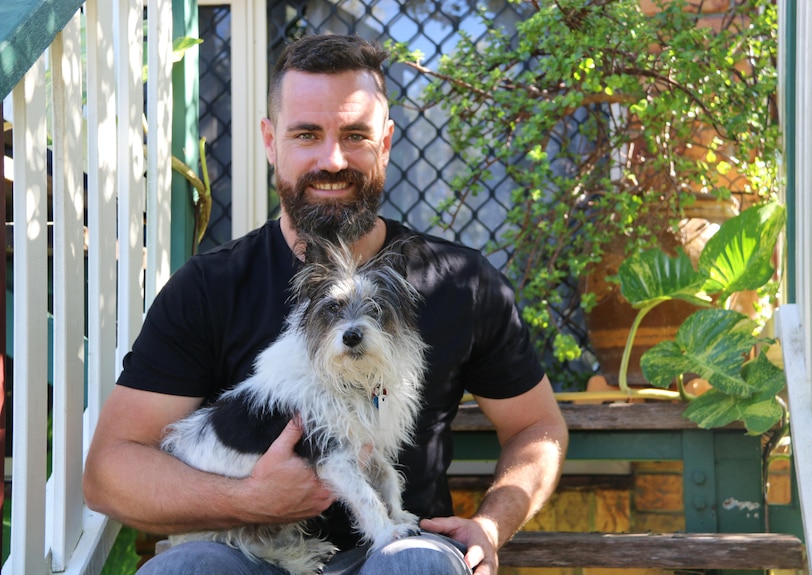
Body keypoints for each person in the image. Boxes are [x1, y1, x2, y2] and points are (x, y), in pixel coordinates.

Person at [83, 33, 568, 575]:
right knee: (184, 571)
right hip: (248, 550)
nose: (332, 159)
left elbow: (536, 428)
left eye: (354, 135)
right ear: (271, 142)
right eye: (307, 134)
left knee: (417, 568)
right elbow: (110, 471)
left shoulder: (462, 283)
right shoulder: (208, 287)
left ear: (385, 144)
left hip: (399, 546)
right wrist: (248, 501)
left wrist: (493, 524)